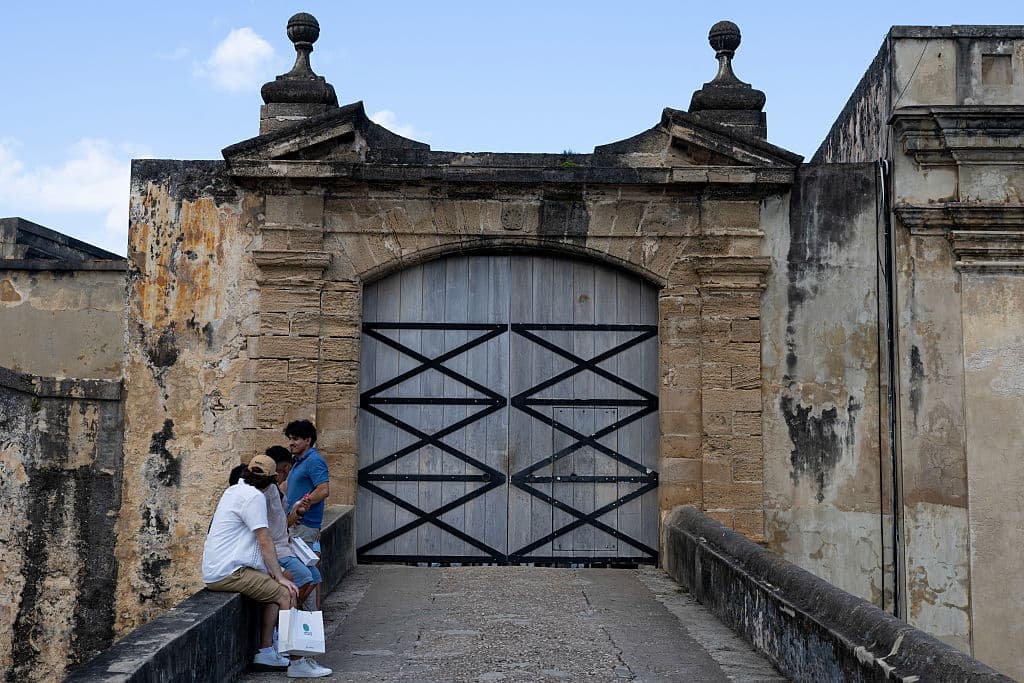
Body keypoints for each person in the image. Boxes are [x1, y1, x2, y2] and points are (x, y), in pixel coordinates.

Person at [202, 454, 330, 678]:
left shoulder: (234, 491)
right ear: (272, 480)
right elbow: (264, 540)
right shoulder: (254, 497)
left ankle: (266, 651)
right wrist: (279, 576)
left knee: (278, 590)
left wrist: (276, 575)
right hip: (230, 571)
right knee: (287, 592)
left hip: (222, 568)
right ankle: (297, 663)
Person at [266, 446, 322, 611]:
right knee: (306, 577)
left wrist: (297, 512)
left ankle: (293, 610)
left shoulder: (277, 492)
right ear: (286, 468)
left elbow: (281, 524)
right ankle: (290, 612)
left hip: (284, 546)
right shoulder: (268, 492)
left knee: (315, 576)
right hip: (276, 550)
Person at [283, 420, 330, 548]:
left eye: (295, 439)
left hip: (304, 526)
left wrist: (300, 506)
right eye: (289, 439)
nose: (290, 443)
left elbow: (323, 490)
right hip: (296, 524)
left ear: (308, 440)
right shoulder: (298, 461)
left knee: (299, 561)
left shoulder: (314, 460)